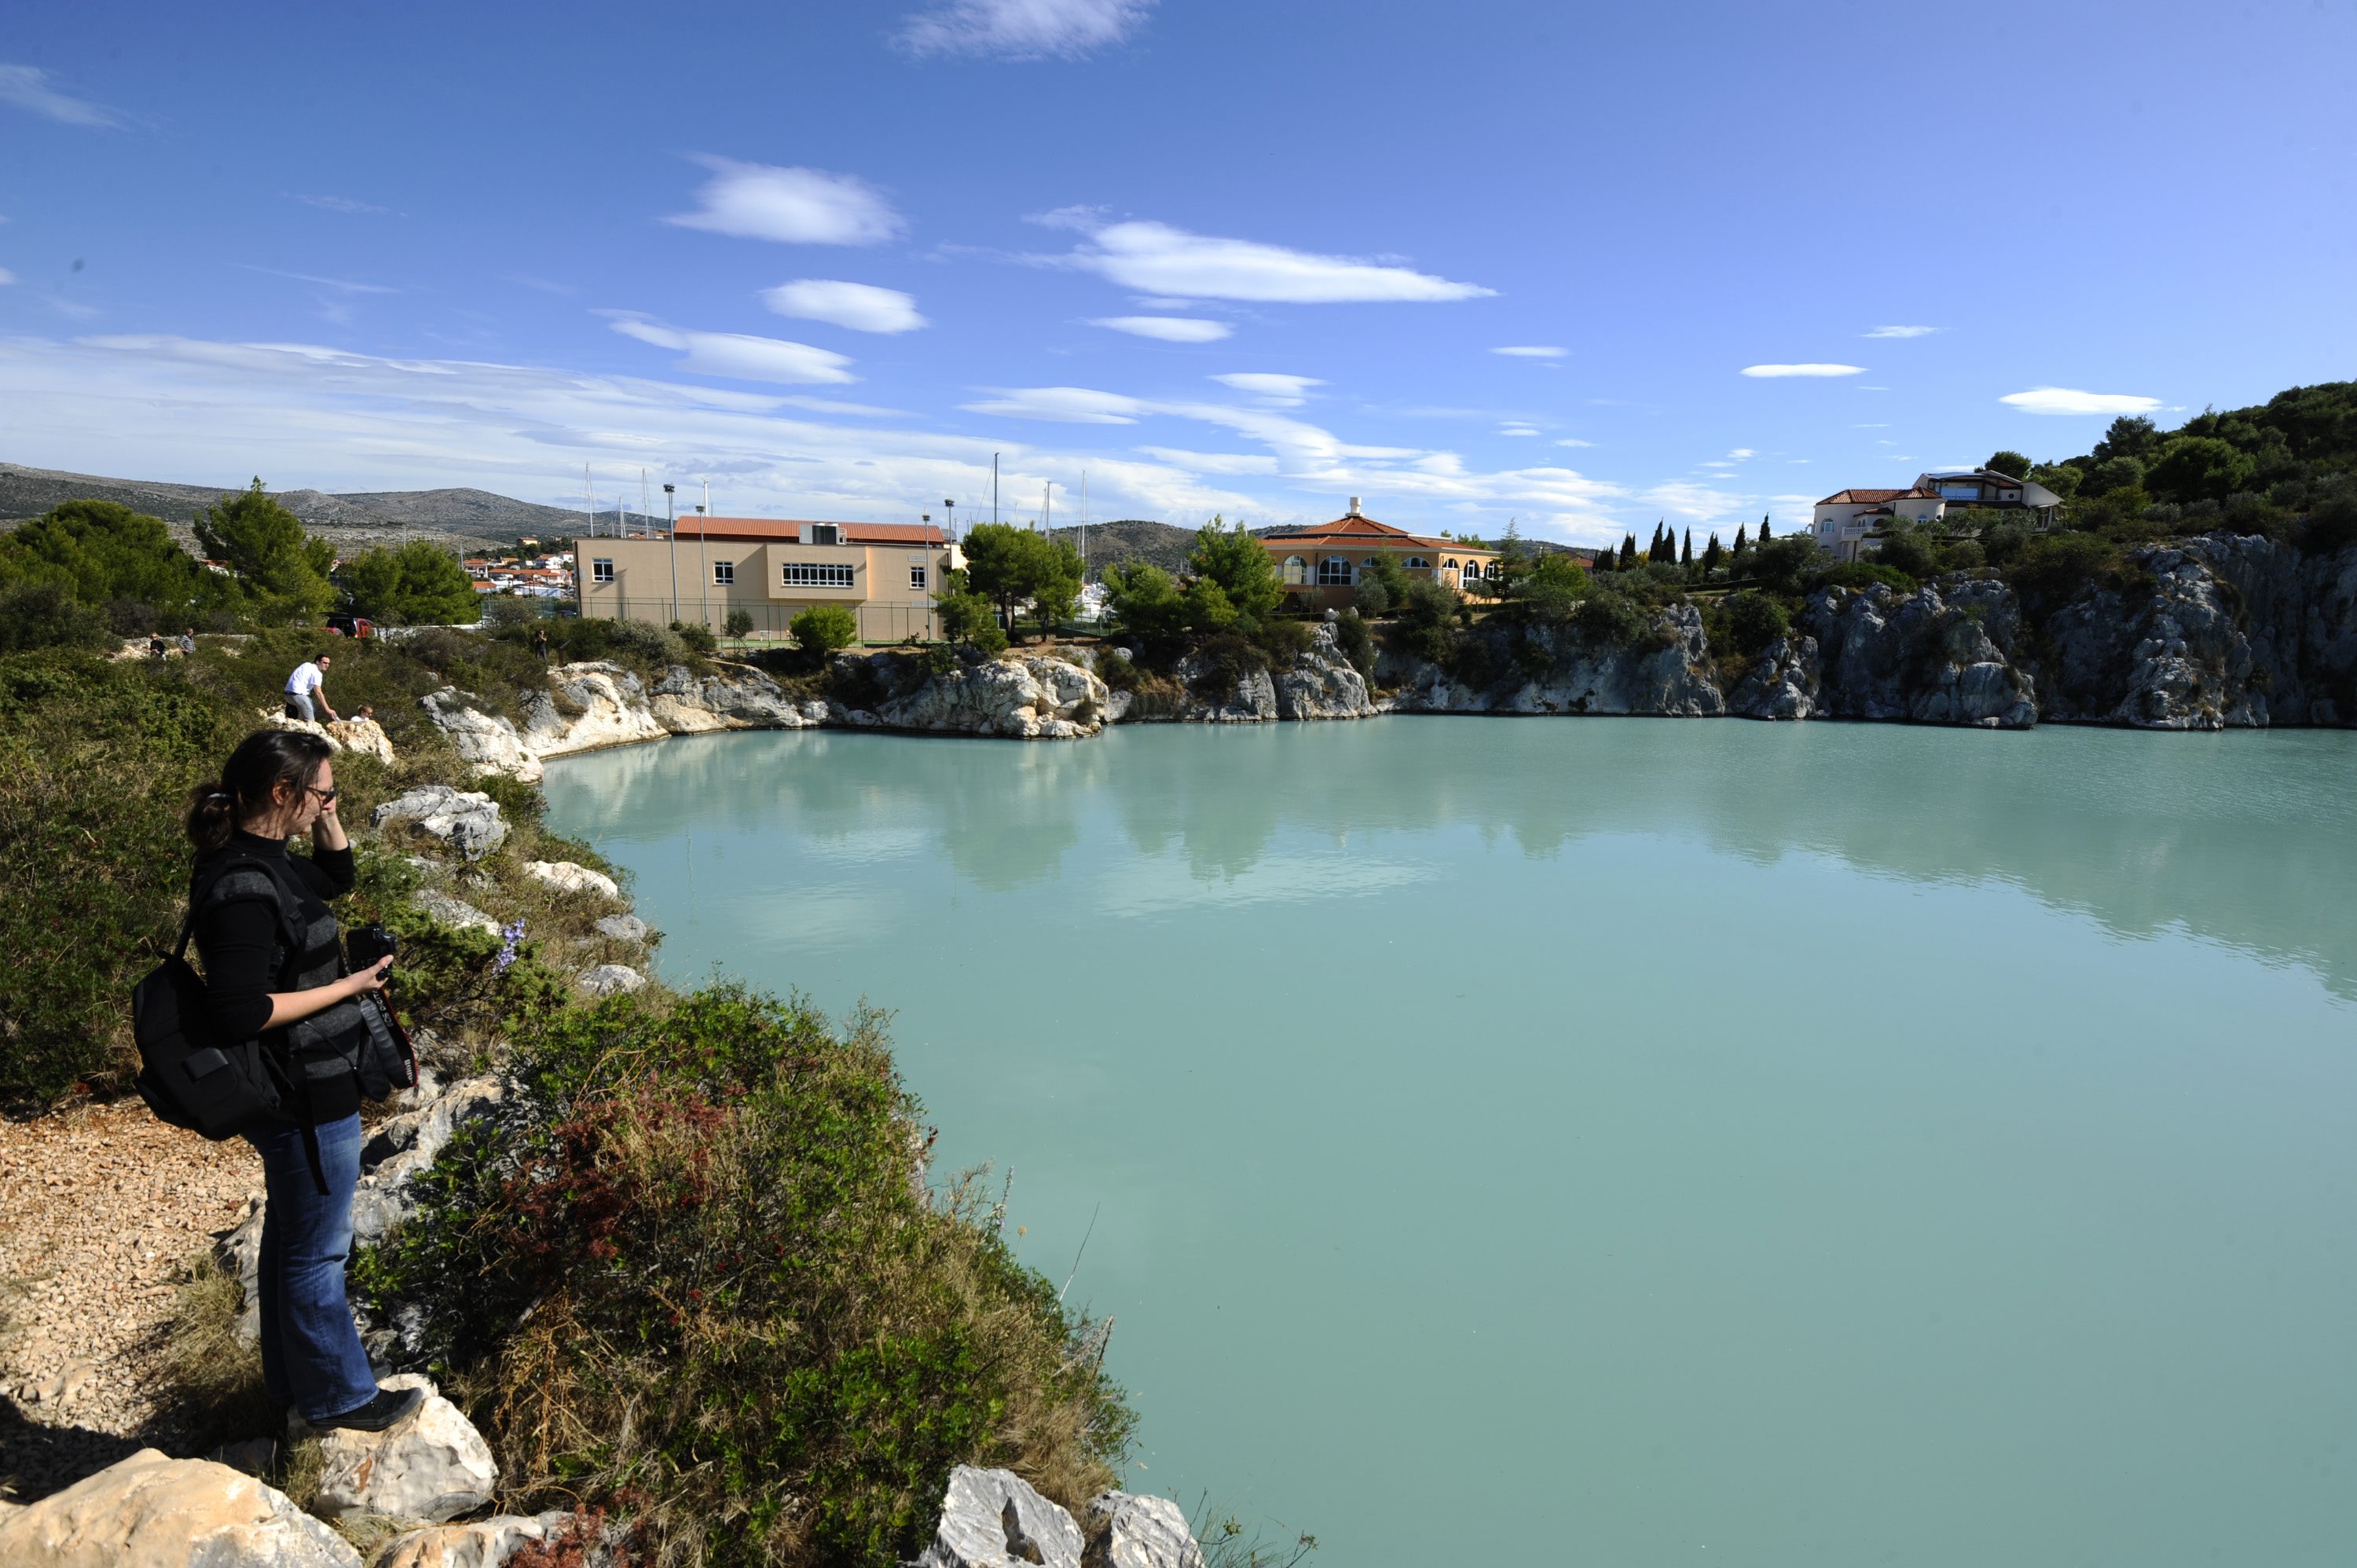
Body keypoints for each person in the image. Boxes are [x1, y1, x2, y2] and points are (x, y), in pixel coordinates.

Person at [185, 729, 420, 1433]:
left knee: (292, 1235)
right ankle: (340, 1399)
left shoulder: (267, 859)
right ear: (282, 793)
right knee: (319, 1252)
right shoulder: (242, 887)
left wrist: (331, 813)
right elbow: (239, 1010)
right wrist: (349, 985)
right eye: (319, 793)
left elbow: (337, 877)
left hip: (312, 1082)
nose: (328, 805)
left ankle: (291, 1386)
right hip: (300, 1092)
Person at [284, 654, 338, 724]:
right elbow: (318, 692)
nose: (327, 665)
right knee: (310, 722)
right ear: (317, 662)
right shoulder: (317, 673)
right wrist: (327, 709)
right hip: (299, 695)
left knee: (295, 719)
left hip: (288, 695)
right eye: (324, 663)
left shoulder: (306, 665)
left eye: (328, 663)